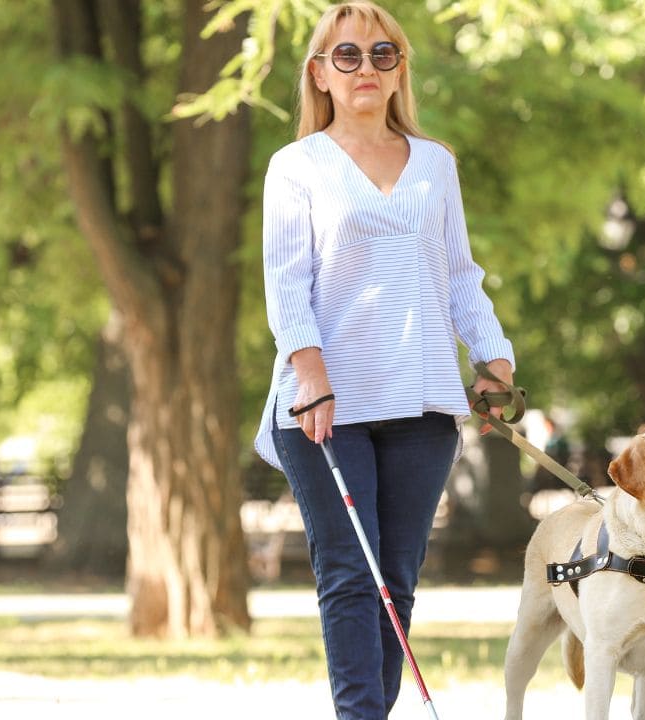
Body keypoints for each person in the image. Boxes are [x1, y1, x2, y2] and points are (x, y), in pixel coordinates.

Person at [252, 3, 516, 717]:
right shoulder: (296, 167)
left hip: (423, 401)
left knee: (395, 581)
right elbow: (286, 282)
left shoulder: (435, 165)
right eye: (347, 56)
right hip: (323, 404)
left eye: (381, 54)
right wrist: (310, 373)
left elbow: (459, 275)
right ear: (321, 73)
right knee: (348, 573)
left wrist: (494, 362)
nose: (365, 67)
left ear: (400, 69)